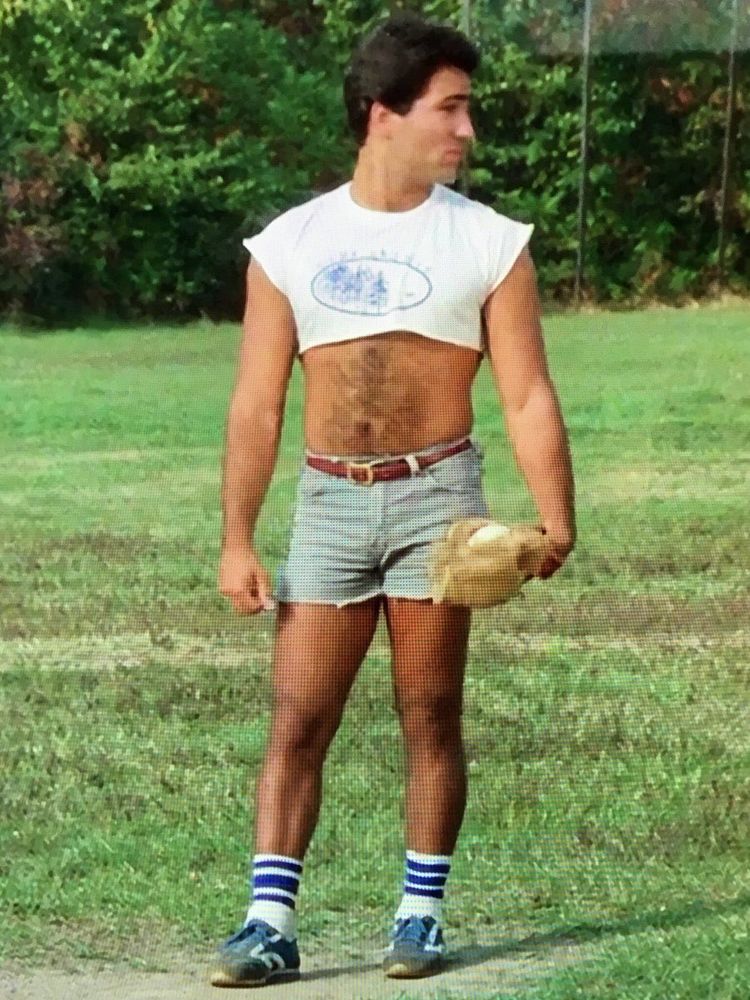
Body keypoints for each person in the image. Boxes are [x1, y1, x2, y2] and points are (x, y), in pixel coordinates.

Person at [213, 10, 575, 989]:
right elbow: (256, 402)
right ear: (383, 114)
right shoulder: (291, 243)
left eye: (469, 111)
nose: (467, 130)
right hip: (329, 504)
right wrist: (237, 536)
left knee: (430, 711)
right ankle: (268, 923)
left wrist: (556, 515)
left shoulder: (491, 242)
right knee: (297, 719)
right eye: (450, 110)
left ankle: (419, 914)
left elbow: (528, 392)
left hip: (438, 502)